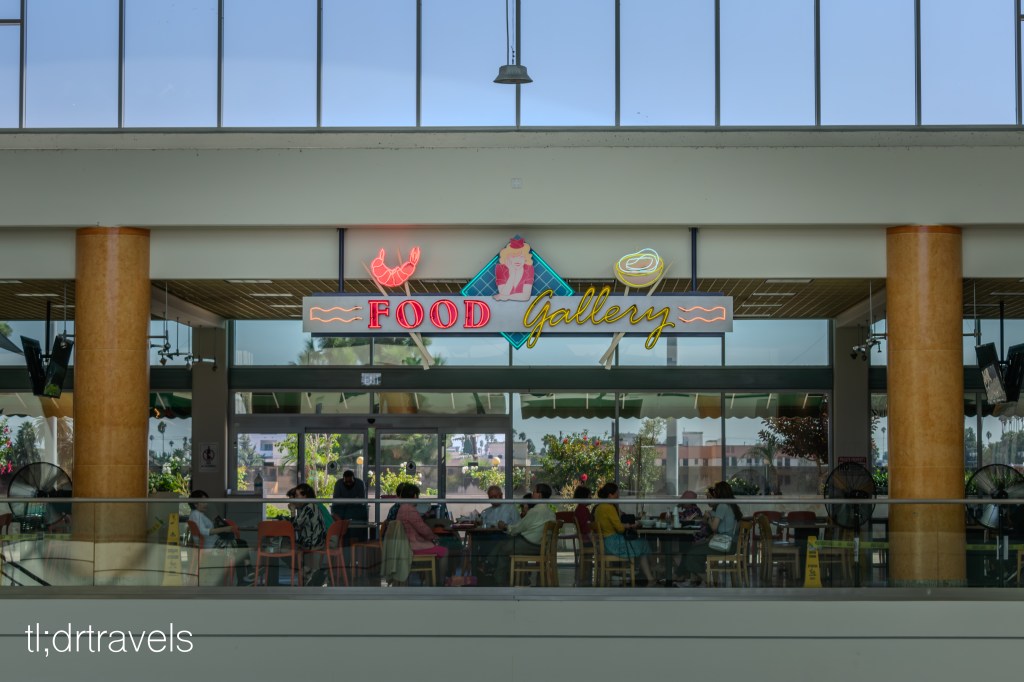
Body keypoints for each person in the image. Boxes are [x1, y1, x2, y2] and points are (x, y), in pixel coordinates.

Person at [677, 481, 743, 587]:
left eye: (714, 493)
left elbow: (714, 527)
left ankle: (709, 581)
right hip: (731, 544)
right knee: (695, 548)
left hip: (725, 545)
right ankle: (697, 581)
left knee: (691, 553)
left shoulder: (722, 505)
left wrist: (708, 518)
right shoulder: (731, 506)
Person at [489, 483, 556, 586]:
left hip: (530, 545)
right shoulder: (551, 513)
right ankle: (491, 566)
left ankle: (498, 580)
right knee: (505, 544)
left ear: (540, 495)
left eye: (534, 492)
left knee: (504, 548)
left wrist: (505, 526)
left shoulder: (535, 512)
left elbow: (518, 528)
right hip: (541, 546)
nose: (532, 494)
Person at [592, 482, 657, 585]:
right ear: (610, 495)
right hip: (614, 544)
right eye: (617, 494)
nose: (618, 497)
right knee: (644, 543)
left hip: (605, 544)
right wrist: (631, 525)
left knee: (642, 544)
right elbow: (620, 529)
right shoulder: (609, 507)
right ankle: (654, 570)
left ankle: (650, 576)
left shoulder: (599, 508)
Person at [187, 490, 250, 585]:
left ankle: (246, 575)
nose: (206, 504)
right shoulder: (196, 514)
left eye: (206, 501)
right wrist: (225, 529)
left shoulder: (195, 514)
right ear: (195, 503)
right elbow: (204, 531)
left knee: (240, 545)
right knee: (240, 545)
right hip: (213, 545)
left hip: (211, 543)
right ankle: (246, 574)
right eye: (203, 502)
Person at [395, 484, 448, 579]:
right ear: (415, 496)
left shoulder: (402, 509)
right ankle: (440, 581)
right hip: (413, 546)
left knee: (436, 546)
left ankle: (430, 579)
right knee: (443, 551)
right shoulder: (409, 509)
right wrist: (434, 536)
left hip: (406, 545)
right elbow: (423, 529)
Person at [331, 469, 368, 546]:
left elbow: (361, 500)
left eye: (350, 482)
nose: (348, 484)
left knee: (356, 531)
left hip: (356, 512)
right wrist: (353, 500)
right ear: (343, 479)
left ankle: (357, 543)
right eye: (346, 482)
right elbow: (336, 500)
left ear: (353, 479)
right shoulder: (338, 484)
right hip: (341, 510)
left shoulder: (360, 483)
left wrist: (345, 501)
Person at [492, 235, 535, 301]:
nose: (518, 260)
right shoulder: (500, 268)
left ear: (525, 258)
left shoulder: (529, 269)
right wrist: (512, 274)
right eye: (513, 257)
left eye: (521, 257)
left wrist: (505, 297)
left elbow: (526, 296)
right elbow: (503, 292)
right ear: (507, 258)